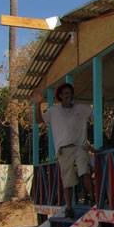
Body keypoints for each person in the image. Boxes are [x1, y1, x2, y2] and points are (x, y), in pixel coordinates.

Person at [31, 83, 94, 217]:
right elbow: (38, 120)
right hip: (64, 149)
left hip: (80, 146)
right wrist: (37, 104)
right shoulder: (54, 111)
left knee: (85, 172)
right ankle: (69, 207)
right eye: (65, 93)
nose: (68, 96)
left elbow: (95, 115)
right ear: (60, 96)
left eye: (69, 93)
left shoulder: (81, 108)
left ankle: (94, 199)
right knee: (67, 180)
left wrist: (92, 145)